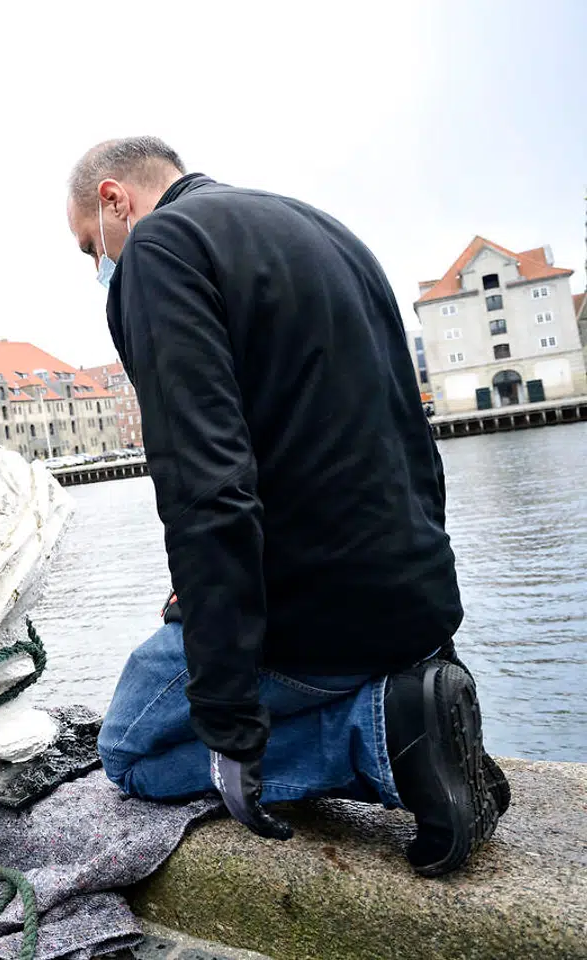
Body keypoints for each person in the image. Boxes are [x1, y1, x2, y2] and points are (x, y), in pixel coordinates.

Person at [66, 137, 509, 877]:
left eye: (89, 246)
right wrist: (437, 638)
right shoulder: (328, 231)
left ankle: (383, 739)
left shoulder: (162, 248)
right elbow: (410, 439)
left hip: (310, 616)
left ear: (115, 200)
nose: (98, 264)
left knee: (130, 751)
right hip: (413, 604)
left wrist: (231, 708)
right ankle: (415, 697)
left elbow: (205, 480)